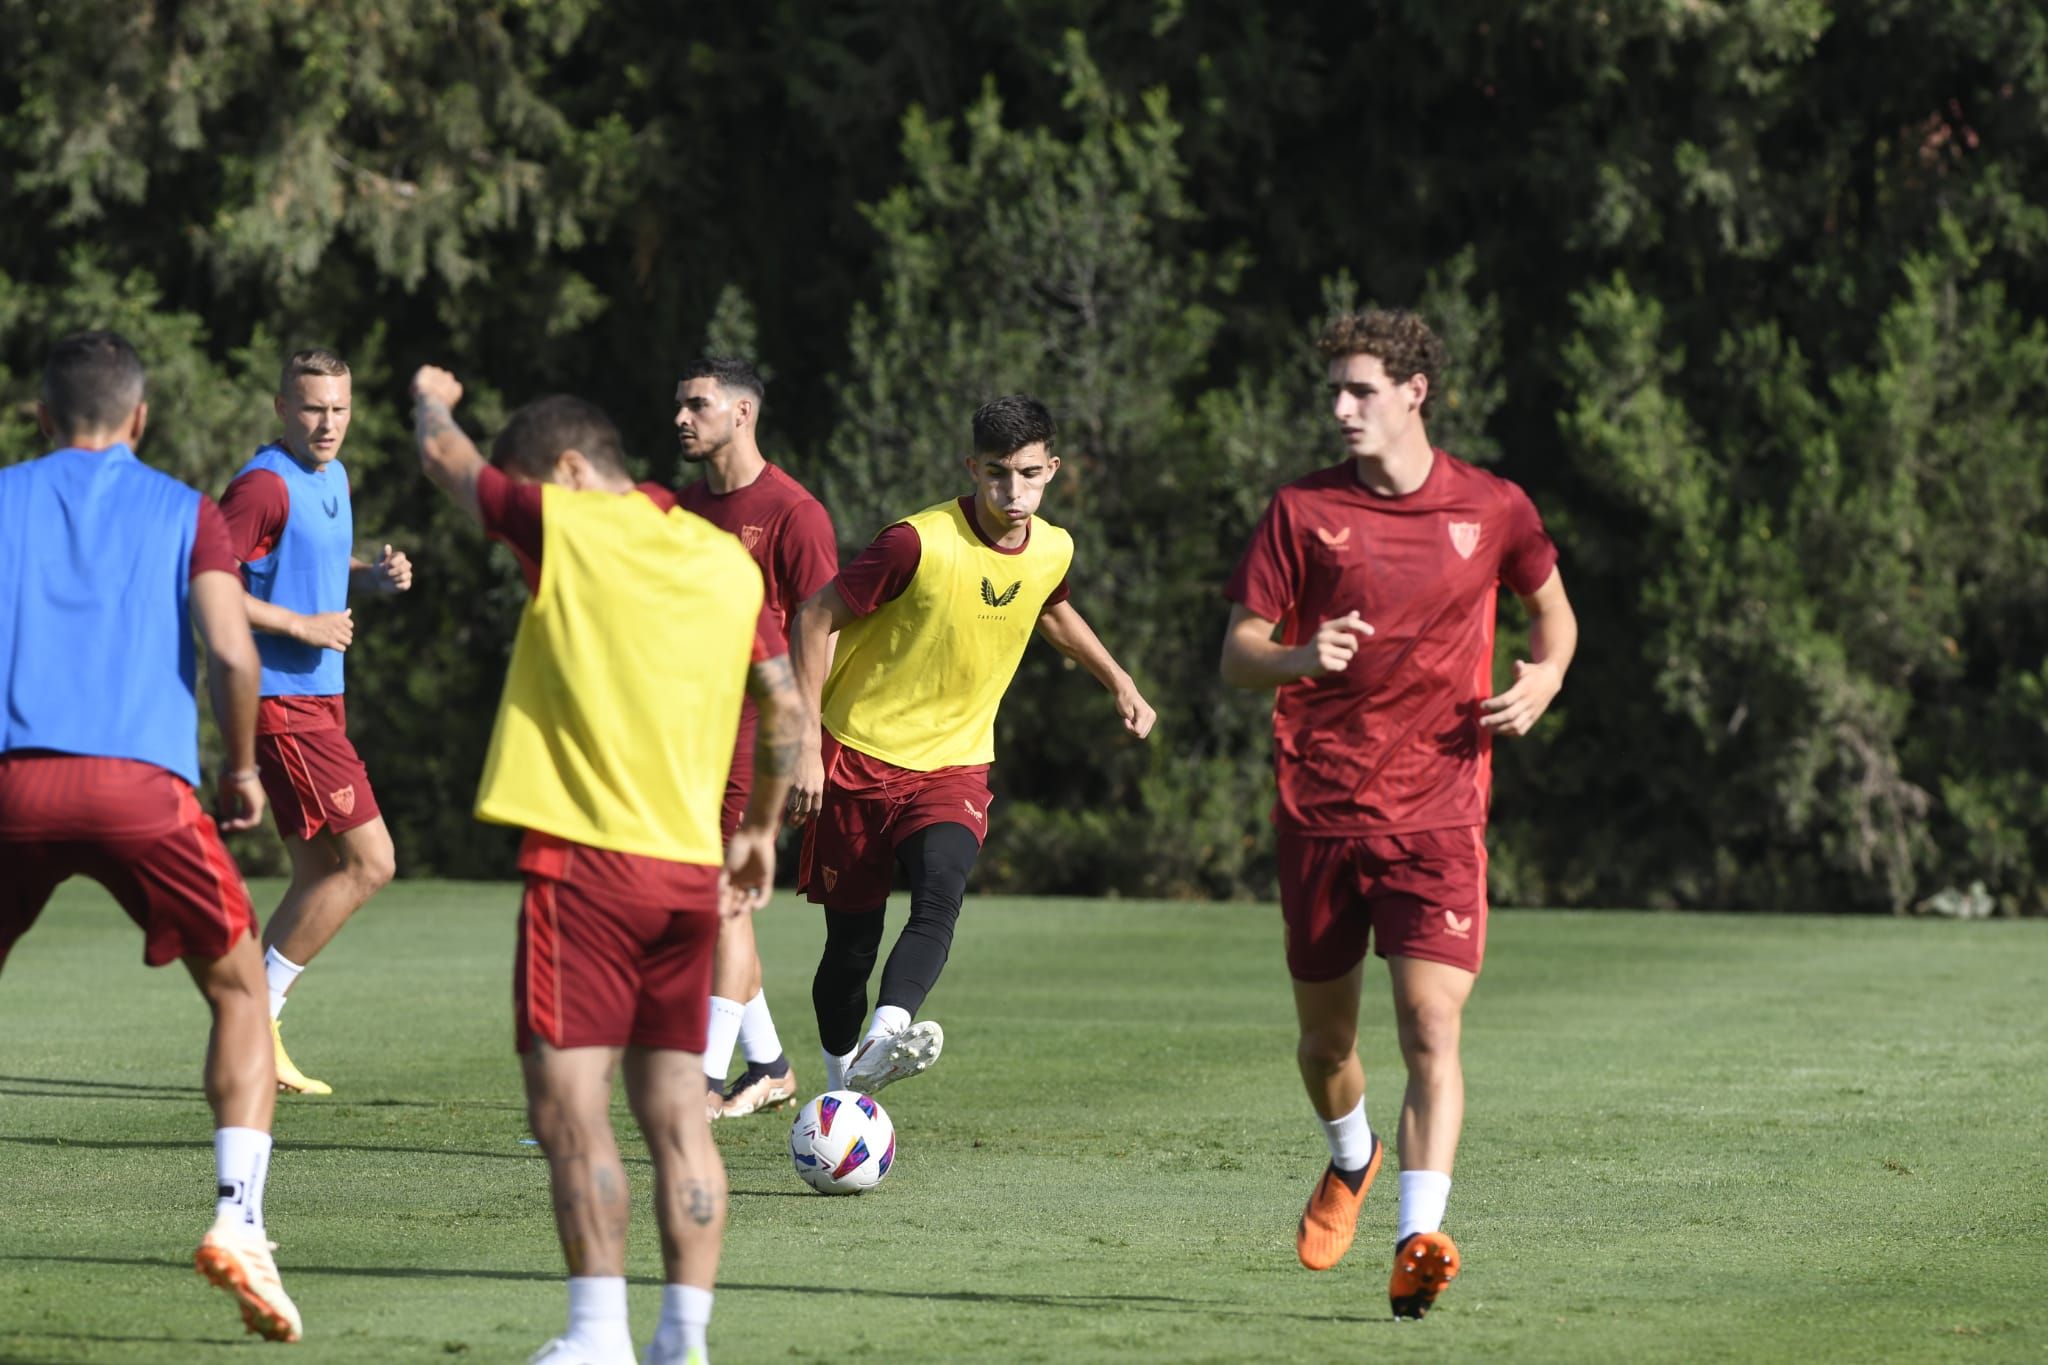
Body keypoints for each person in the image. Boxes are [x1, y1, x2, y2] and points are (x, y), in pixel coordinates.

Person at [412, 366, 802, 1365]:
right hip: (688, 878)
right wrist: (757, 831)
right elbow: (785, 706)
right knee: (680, 1117)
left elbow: (444, 462)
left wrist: (431, 398)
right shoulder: (724, 562)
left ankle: (596, 1336)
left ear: (571, 470)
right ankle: (686, 1341)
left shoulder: (572, 526)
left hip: (584, 873)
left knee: (569, 1113)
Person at [1219, 309, 1578, 1320]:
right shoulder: (1299, 512)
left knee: (1430, 1024)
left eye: (1359, 390)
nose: (1339, 408)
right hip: (1320, 809)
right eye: (1332, 390)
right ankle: (1350, 1156)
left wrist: (1543, 679)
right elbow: (1234, 654)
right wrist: (1297, 656)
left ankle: (1417, 1236)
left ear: (1414, 392)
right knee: (1326, 1046)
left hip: (1438, 812)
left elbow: (1554, 615)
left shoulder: (1493, 506)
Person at [0, 330, 302, 1342]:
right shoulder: (187, 511)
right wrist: (242, 769)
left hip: (13, 784)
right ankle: (237, 1221)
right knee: (239, 991)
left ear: (41, 416)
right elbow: (230, 651)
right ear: (139, 419)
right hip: (145, 789)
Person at [787, 394, 1156, 1097]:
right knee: (850, 950)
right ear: (972, 468)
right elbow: (813, 617)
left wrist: (1118, 679)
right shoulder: (915, 543)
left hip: (955, 761)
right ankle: (840, 1086)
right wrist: (805, 742)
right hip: (858, 754)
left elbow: (1048, 602)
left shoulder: (1054, 546)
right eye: (995, 474)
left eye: (1027, 474)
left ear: (1052, 469)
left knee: (940, 894)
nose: (1012, 492)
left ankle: (888, 1032)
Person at [217, 348, 414, 1095]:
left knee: (317, 873)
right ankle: (252, 1019)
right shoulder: (264, 484)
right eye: (311, 408)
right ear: (281, 408)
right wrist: (302, 625)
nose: (326, 422)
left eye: (337, 408)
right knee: (373, 861)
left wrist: (374, 578)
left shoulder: (329, 477)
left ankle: (251, 1025)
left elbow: (319, 569)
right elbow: (210, 581)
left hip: (319, 698)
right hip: (282, 704)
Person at [674, 356, 839, 1121]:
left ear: (743, 413)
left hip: (755, 736)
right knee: (708, 901)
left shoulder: (792, 512)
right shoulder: (680, 510)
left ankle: (703, 1081)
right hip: (688, 736)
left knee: (723, 903)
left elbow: (820, 627)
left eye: (697, 405)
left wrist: (806, 740)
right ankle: (768, 1063)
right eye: (679, 406)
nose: (682, 418)